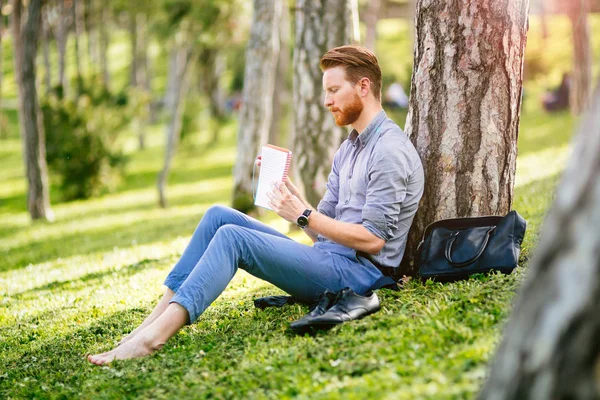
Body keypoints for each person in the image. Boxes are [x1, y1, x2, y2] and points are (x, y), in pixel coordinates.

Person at [88, 45, 424, 365]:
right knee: (217, 216)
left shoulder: (388, 151)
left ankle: (152, 339)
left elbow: (373, 240)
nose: (327, 101)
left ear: (363, 87)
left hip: (360, 274)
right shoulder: (349, 150)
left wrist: (305, 215)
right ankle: (148, 324)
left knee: (234, 238)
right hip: (329, 258)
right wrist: (294, 203)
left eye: (334, 90)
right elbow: (322, 231)